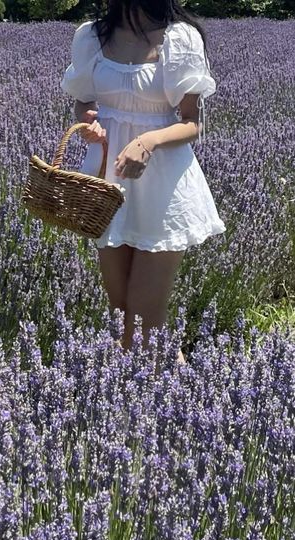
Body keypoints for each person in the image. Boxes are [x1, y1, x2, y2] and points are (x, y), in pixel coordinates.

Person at [60, 0, 226, 370]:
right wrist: (88, 123)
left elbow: (192, 123)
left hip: (162, 185)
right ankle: (149, 410)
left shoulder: (179, 38)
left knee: (145, 319)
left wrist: (148, 141)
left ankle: (177, 407)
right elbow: (83, 102)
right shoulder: (91, 37)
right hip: (106, 181)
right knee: (122, 318)